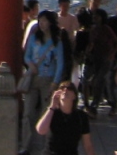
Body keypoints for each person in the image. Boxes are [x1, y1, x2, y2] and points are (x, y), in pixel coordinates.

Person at [22, 10, 68, 155]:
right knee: (28, 112)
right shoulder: (34, 38)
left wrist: (56, 82)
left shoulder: (56, 42)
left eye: (44, 21)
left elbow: (60, 63)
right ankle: (26, 145)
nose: (42, 24)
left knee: (46, 112)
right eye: (40, 21)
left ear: (50, 23)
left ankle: (44, 146)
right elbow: (27, 56)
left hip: (48, 79)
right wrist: (31, 65)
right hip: (33, 77)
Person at [35, 82, 96, 155]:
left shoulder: (81, 116)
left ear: (74, 96)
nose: (65, 90)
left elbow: (88, 146)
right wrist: (52, 106)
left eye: (69, 88)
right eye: (62, 88)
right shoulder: (51, 112)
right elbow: (41, 130)